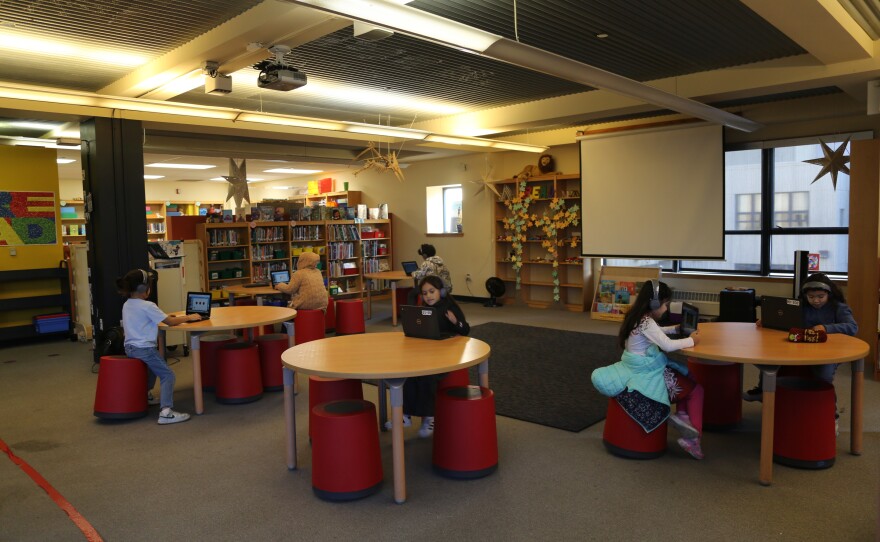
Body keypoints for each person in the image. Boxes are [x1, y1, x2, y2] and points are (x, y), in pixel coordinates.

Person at [591, 280, 706, 459]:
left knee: (687, 377)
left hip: (635, 366)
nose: (666, 309)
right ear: (654, 303)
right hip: (646, 372)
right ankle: (693, 440)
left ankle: (682, 415)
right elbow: (667, 346)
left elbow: (655, 332)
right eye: (665, 304)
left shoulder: (638, 317)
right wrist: (692, 341)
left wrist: (675, 329)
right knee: (697, 390)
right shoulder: (647, 322)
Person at [743, 273, 858, 412]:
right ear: (805, 296)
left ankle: (831, 411)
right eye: (811, 297)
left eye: (821, 296)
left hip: (829, 352)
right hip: (801, 347)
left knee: (823, 374)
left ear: (829, 294)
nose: (816, 300)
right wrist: (767, 321)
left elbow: (852, 327)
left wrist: (826, 328)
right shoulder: (801, 306)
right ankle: (762, 390)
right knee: (770, 359)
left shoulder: (838, 307)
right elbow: (786, 321)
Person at [387, 275, 470, 438]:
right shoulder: (424, 308)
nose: (428, 296)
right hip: (428, 350)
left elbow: (465, 329)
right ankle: (406, 415)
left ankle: (429, 417)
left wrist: (455, 322)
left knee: (427, 376)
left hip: (446, 353)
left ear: (442, 292)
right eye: (425, 293)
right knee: (409, 372)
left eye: (432, 291)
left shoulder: (449, 307)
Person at [118, 268, 202, 425]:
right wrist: (189, 317)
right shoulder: (148, 305)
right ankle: (166, 412)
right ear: (145, 289)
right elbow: (169, 322)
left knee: (152, 369)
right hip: (145, 349)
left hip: (130, 348)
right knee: (167, 375)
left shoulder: (127, 304)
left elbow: (156, 318)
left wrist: (166, 316)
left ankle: (146, 396)